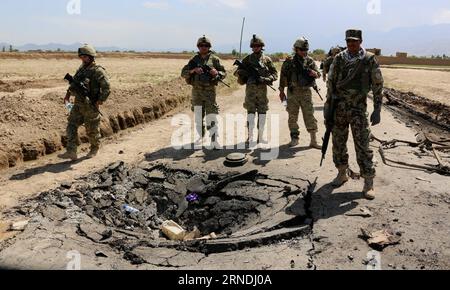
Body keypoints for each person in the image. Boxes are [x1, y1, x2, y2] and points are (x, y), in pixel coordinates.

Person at [325, 29, 384, 200]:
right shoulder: (339, 58)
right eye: (349, 41)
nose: (351, 44)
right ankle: (342, 172)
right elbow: (331, 83)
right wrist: (328, 109)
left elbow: (378, 84)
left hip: (359, 109)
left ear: (361, 41)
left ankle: (368, 182)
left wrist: (377, 108)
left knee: (363, 145)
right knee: (338, 142)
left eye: (355, 41)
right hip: (339, 109)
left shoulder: (369, 59)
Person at [58, 44, 110, 161]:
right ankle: (71, 151)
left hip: (90, 105)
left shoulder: (98, 71)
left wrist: (100, 100)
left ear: (91, 57)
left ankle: (94, 148)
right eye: (81, 57)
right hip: (78, 104)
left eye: (85, 57)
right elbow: (74, 84)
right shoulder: (81, 69)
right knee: (71, 125)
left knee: (91, 129)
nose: (83, 59)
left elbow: (107, 88)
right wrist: (67, 95)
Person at [181, 36, 226, 148]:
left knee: (211, 116)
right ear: (198, 46)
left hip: (210, 92)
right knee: (198, 116)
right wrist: (193, 70)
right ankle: (201, 135)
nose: (203, 47)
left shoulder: (214, 59)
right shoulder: (193, 60)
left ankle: (214, 140)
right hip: (197, 92)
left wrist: (217, 73)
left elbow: (224, 73)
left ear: (209, 47)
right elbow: (183, 73)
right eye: (201, 45)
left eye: (206, 45)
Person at [234, 35, 278, 146]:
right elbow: (236, 72)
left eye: (258, 45)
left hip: (262, 92)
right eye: (253, 46)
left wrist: (266, 79)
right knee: (251, 114)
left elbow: (275, 74)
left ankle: (261, 137)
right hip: (250, 92)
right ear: (251, 47)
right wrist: (244, 73)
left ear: (261, 46)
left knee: (262, 114)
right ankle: (250, 137)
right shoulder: (247, 59)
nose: (255, 47)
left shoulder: (267, 60)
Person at [279, 37, 322, 148]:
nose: (304, 52)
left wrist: (315, 73)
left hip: (306, 93)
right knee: (292, 116)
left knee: (310, 116)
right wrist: (281, 91)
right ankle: (294, 139)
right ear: (296, 49)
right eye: (302, 50)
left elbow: (318, 74)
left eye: (306, 50)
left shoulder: (310, 60)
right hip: (292, 93)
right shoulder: (289, 61)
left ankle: (313, 141)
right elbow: (283, 76)